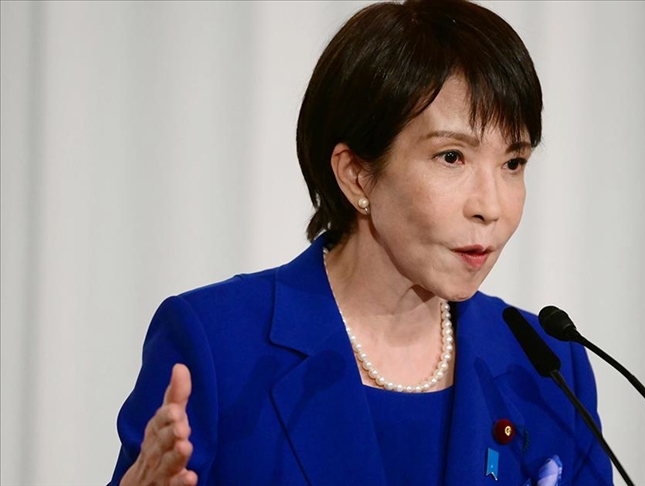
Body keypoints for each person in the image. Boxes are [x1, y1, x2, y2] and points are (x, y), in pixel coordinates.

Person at [110, 1, 613, 485]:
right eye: (452, 157)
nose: (492, 205)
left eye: (513, 163)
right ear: (356, 175)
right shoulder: (216, 347)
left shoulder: (547, 368)